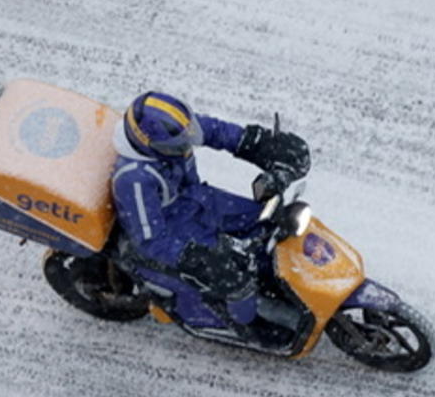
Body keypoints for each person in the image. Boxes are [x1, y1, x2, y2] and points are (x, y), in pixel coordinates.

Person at [110, 91, 308, 333]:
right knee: (235, 277)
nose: (186, 146)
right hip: (175, 234)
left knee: (267, 223)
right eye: (179, 145)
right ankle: (246, 324)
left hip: (200, 202)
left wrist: (258, 143)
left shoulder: (176, 133)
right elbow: (151, 240)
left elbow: (215, 132)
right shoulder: (134, 178)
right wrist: (202, 260)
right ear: (150, 146)